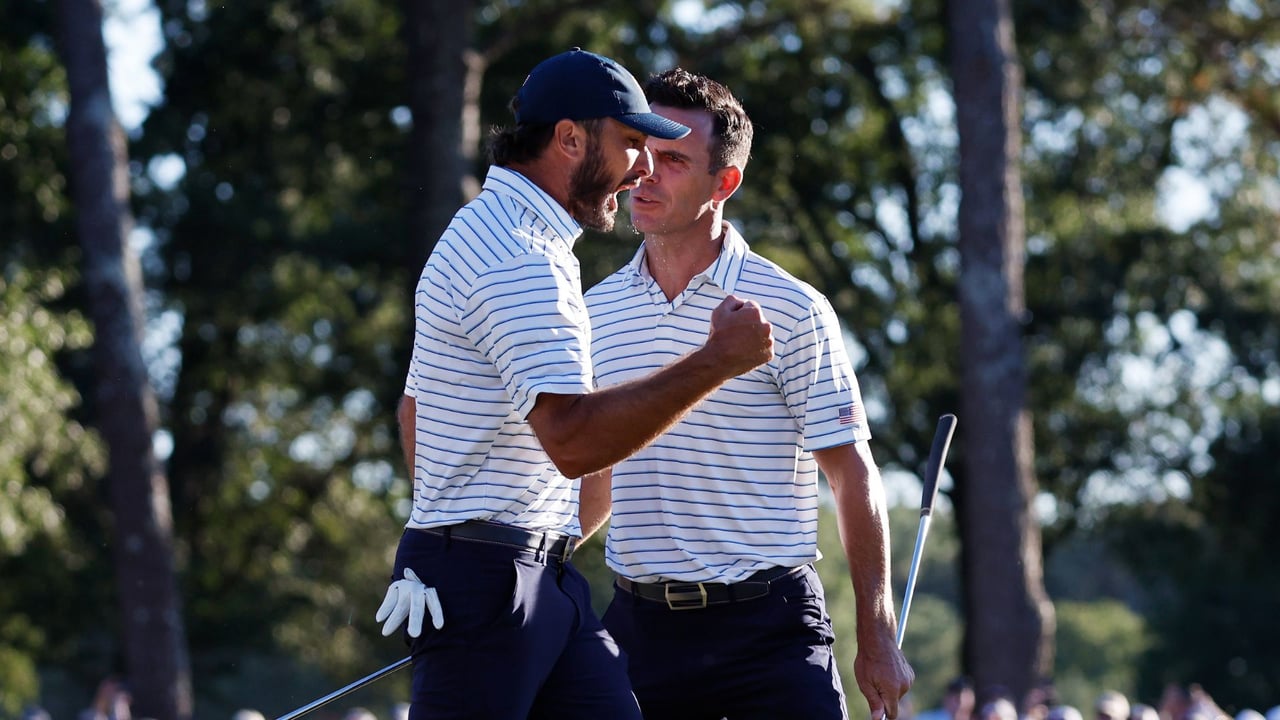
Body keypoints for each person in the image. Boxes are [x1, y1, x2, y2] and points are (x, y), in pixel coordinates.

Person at [373, 48, 775, 720]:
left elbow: (415, 407)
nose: (640, 169)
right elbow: (573, 441)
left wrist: (455, 529)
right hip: (487, 584)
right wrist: (714, 362)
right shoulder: (519, 259)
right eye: (629, 144)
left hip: (528, 575)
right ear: (569, 138)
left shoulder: (503, 233)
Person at [578, 67, 913, 720]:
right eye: (642, 153)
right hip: (639, 630)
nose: (645, 173)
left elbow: (851, 475)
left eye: (673, 160)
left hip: (770, 631)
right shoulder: (592, 312)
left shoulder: (791, 307)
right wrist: (512, 575)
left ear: (724, 182)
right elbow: (597, 481)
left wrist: (876, 631)